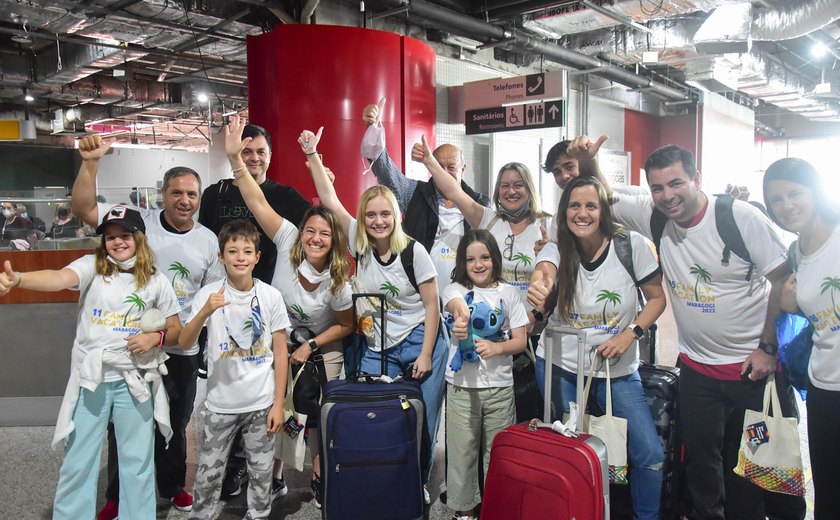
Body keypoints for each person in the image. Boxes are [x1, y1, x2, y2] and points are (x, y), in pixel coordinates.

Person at [586, 141, 805, 520]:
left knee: (754, 471)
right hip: (697, 372)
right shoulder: (655, 214)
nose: (667, 196)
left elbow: (782, 279)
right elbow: (605, 197)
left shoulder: (739, 219)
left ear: (697, 178)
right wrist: (591, 162)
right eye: (657, 188)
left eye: (676, 184)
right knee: (701, 467)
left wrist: (768, 347)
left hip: (750, 371)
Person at [70, 133, 223, 517]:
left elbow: (209, 299)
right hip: (130, 347)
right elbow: (84, 206)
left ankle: (171, 486)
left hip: (179, 346)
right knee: (123, 424)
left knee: (175, 420)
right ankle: (117, 496)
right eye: (177, 193)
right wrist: (90, 164)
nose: (184, 200)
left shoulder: (208, 241)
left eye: (191, 194)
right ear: (163, 194)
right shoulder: (139, 227)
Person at [0, 205, 182, 519]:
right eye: (111, 237)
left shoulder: (156, 280)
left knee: (137, 463)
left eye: (125, 235)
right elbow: (58, 278)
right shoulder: (92, 266)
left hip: (134, 381)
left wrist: (155, 339)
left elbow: (176, 329)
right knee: (78, 460)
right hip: (92, 379)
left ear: (140, 237)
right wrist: (20, 279)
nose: (118, 242)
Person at [303, 126, 448, 503]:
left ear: (396, 216)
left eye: (385, 214)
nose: (378, 221)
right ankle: (382, 474)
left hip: (420, 339)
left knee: (423, 418)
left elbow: (433, 306)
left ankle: (417, 482)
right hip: (376, 344)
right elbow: (332, 201)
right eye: (371, 214)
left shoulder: (414, 252)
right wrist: (312, 154)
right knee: (376, 411)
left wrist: (427, 354)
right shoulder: (359, 243)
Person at [225, 115, 353, 508]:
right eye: (311, 230)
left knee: (320, 411)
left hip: (323, 342)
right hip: (278, 341)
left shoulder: (338, 280)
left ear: (333, 242)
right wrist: (236, 161)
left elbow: (346, 325)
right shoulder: (287, 239)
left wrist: (311, 344)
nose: (315, 238)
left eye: (324, 234)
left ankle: (318, 475)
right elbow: (256, 200)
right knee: (275, 405)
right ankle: (274, 477)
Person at [528, 176, 666, 520]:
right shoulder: (557, 244)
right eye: (574, 205)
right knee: (568, 448)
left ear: (603, 210)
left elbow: (657, 299)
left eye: (591, 205)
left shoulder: (629, 245)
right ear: (564, 212)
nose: (583, 213)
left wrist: (630, 333)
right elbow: (544, 272)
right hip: (560, 366)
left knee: (648, 452)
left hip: (615, 370)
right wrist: (540, 286)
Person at [199, 122, 311, 495]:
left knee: (263, 390)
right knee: (227, 384)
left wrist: (318, 169)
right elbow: (203, 241)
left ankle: (261, 471)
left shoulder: (283, 195)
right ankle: (232, 466)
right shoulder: (215, 194)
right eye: (247, 151)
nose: (254, 157)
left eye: (261, 151)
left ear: (270, 156)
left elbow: (315, 223)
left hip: (267, 306)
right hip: (223, 304)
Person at [179, 219, 289, 520]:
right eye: (232, 251)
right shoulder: (209, 295)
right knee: (208, 473)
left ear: (257, 257)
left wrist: (278, 404)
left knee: (262, 471)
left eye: (247, 251)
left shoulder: (270, 296)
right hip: (220, 405)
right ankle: (201, 514)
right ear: (221, 256)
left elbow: (280, 353)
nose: (240, 257)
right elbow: (185, 341)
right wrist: (204, 311)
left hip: (261, 403)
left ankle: (259, 513)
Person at [763, 158, 840, 520]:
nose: (787, 206)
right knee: (827, 491)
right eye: (776, 200)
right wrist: (789, 305)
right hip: (824, 386)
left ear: (816, 191)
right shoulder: (796, 252)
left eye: (795, 194)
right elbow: (818, 310)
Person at [443, 229, 529, 520]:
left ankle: (497, 509)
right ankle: (464, 511)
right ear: (463, 263)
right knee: (461, 454)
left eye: (484, 257)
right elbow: (454, 306)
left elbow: (521, 340)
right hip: (461, 388)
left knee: (499, 454)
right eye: (470, 259)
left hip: (500, 390)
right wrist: (461, 318)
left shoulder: (510, 293)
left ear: (494, 258)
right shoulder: (455, 288)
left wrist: (498, 347)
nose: (478, 265)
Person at [362, 99, 490, 292]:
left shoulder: (479, 204)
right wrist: (374, 130)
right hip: (417, 296)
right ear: (431, 167)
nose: (445, 172)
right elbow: (386, 171)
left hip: (468, 297)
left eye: (452, 167)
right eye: (438, 166)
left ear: (463, 169)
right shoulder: (414, 193)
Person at [412, 135, 551, 303]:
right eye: (505, 185)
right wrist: (429, 161)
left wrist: (535, 314)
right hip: (491, 321)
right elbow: (453, 191)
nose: (511, 191)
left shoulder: (546, 225)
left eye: (518, 185)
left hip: (533, 321)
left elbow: (552, 277)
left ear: (530, 189)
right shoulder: (487, 219)